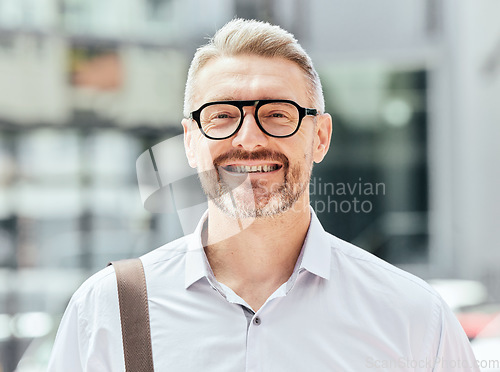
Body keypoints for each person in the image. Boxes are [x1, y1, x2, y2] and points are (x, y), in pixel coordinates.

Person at [48, 18, 479, 371]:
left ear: (321, 137)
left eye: (277, 114)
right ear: (190, 141)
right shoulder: (108, 310)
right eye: (221, 116)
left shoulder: (412, 318)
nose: (250, 140)